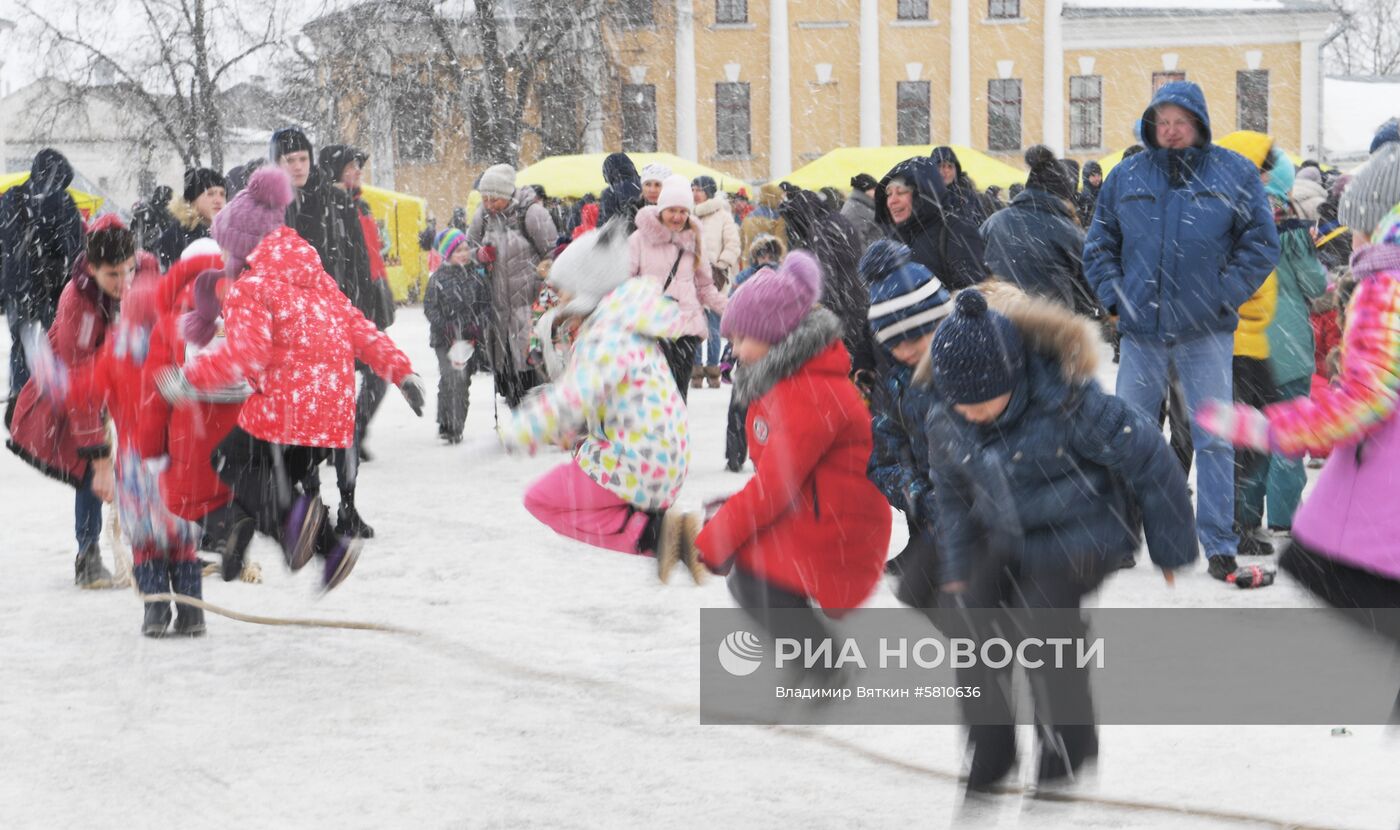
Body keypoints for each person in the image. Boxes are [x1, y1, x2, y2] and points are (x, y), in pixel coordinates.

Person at [920, 288, 1196, 792]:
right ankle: (992, 746)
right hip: (1012, 532)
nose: (973, 413)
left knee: (1044, 619)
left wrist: (1171, 547)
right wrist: (957, 570)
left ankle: (1069, 741)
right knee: (970, 616)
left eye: (984, 401)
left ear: (1012, 378)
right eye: (963, 403)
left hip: (1087, 528)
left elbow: (1149, 456)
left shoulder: (1068, 401)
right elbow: (953, 499)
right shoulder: (946, 419)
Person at [155, 167, 425, 592]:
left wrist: (190, 378)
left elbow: (246, 354)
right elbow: (359, 327)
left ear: (241, 244)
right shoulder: (317, 279)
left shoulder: (250, 287)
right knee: (264, 476)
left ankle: (294, 528)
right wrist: (401, 371)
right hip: (333, 414)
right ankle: (316, 547)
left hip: (287, 406)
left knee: (232, 463)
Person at [1197, 137, 1400, 651]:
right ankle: (1276, 518)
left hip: (1382, 526)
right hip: (1288, 349)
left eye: (1356, 225)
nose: (1352, 240)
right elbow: (1312, 288)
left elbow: (1365, 400)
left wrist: (1263, 427)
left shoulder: (1387, 285)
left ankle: (1251, 519)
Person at [1083, 80, 1280, 581]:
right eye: (1163, 122)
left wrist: (1223, 293)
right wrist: (1116, 297)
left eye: (1181, 122)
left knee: (1214, 439)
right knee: (1130, 436)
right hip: (1142, 333)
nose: (1171, 131)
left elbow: (1261, 242)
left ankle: (1219, 543)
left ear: (1199, 124)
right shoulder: (1126, 175)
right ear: (1152, 126)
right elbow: (1099, 244)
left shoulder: (1233, 172)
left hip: (1205, 332)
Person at [695, 251, 891, 661]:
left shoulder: (808, 391)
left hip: (841, 528)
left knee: (755, 580)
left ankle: (823, 669)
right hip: (816, 512)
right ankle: (816, 663)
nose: (735, 351)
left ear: (775, 334)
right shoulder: (787, 381)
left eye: (741, 339)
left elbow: (774, 487)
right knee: (752, 576)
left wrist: (719, 537)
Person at [502, 220, 704, 581]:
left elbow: (574, 399)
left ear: (586, 289)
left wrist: (522, 429)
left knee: (541, 498)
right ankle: (652, 530)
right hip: (660, 460)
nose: (559, 301)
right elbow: (599, 395)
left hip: (639, 464)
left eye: (564, 291)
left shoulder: (607, 334)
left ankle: (653, 536)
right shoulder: (627, 324)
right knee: (567, 477)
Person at [26, 242, 207, 636]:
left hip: (136, 470)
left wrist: (49, 374)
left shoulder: (113, 354)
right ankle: (192, 613)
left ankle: (156, 612)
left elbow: (79, 389)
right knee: (181, 542)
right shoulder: (174, 347)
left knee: (146, 544)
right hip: (179, 467)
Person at [6, 216, 137, 589]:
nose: (123, 283)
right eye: (113, 275)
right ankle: (88, 553)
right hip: (74, 388)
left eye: (128, 271)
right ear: (92, 268)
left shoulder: (138, 273)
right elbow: (82, 389)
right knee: (89, 468)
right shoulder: (76, 303)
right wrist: (100, 462)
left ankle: (159, 547)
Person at [271, 127, 383, 539]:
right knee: (302, 425)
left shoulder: (336, 202)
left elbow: (358, 265)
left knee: (342, 420)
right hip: (293, 333)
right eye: (289, 160)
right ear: (277, 164)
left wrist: (361, 320)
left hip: (334, 325)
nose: (298, 166)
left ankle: (349, 505)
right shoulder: (272, 208)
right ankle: (313, 504)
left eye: (302, 158)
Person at [859, 239, 954, 595]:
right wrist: (920, 495)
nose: (907, 350)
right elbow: (881, 461)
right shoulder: (897, 385)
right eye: (895, 342)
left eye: (918, 336)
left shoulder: (973, 373)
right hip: (939, 521)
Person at [320, 144, 396, 460]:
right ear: (335, 172)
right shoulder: (323, 208)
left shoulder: (362, 206)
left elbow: (372, 259)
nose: (358, 171)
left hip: (368, 305)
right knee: (338, 379)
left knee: (382, 369)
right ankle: (336, 440)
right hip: (340, 306)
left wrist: (380, 299)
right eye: (352, 166)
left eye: (358, 166)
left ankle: (354, 431)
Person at [466, 162, 558, 407]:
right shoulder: (482, 216)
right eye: (485, 198)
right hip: (499, 312)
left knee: (532, 370)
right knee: (507, 374)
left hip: (530, 307)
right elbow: (468, 250)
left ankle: (537, 417)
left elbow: (553, 253)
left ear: (507, 194)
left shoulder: (532, 214)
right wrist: (479, 256)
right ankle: (518, 411)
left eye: (494, 199)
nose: (489, 204)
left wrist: (543, 273)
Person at [628, 175, 727, 401]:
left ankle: (677, 425)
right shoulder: (639, 239)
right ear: (661, 209)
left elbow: (705, 287)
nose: (677, 216)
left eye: (683, 211)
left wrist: (733, 310)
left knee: (678, 397)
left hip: (685, 332)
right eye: (672, 210)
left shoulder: (694, 240)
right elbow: (625, 283)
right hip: (651, 330)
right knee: (652, 398)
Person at [0, 148, 85, 403]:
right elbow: (76, 251)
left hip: (17, 289)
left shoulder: (11, 198)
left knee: (20, 346)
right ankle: (50, 404)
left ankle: (20, 402)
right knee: (56, 344)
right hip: (53, 289)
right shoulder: (63, 201)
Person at [980, 145, 1099, 318]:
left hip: (997, 319)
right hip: (1049, 324)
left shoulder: (993, 223)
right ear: (1062, 195)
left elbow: (973, 270)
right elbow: (1091, 286)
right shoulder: (1068, 232)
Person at [779, 188, 875, 377]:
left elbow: (826, 277)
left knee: (843, 364)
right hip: (856, 295)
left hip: (843, 303)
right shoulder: (836, 220)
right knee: (855, 358)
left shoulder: (821, 229)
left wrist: (824, 313)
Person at [875, 155, 987, 290]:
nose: (892, 201)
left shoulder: (957, 231)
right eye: (888, 194)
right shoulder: (893, 239)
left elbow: (973, 294)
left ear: (922, 194)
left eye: (901, 192)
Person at [724, 234, 786, 472]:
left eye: (769, 255)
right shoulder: (780, 280)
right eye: (762, 255)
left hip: (761, 352)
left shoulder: (748, 281)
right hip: (763, 352)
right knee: (752, 406)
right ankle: (745, 452)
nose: (766, 260)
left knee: (749, 406)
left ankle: (742, 453)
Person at [424, 228, 491, 444]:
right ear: (447, 254)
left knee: (461, 381)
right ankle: (445, 422)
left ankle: (456, 425)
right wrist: (446, 327)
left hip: (468, 339)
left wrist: (477, 325)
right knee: (449, 378)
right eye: (458, 251)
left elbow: (486, 306)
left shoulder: (477, 277)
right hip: (444, 340)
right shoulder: (438, 279)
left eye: (465, 249)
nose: (463, 254)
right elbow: (430, 309)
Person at [691, 176, 741, 389]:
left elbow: (733, 243)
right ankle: (695, 369)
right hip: (691, 276)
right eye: (693, 189)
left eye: (699, 189)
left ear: (709, 191)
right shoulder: (688, 214)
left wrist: (721, 265)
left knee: (712, 324)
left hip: (715, 277)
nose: (695, 193)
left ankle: (712, 369)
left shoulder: (722, 215)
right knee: (694, 323)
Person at [154, 168, 226, 270]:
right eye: (210, 194)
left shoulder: (230, 234)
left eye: (222, 194)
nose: (218, 200)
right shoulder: (175, 238)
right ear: (193, 200)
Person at [930, 146, 993, 227]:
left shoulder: (968, 197)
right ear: (932, 169)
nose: (946, 171)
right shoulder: (923, 195)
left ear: (956, 170)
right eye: (941, 166)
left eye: (950, 166)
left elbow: (981, 226)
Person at [740, 183, 788, 266]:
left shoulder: (748, 217)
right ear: (775, 198)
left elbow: (741, 243)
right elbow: (781, 246)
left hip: (749, 263)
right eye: (779, 198)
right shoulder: (778, 220)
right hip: (770, 263)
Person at [598, 152, 643, 230]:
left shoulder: (610, 193)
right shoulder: (646, 183)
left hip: (625, 234)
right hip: (650, 231)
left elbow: (607, 225)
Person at [841, 173, 881, 254]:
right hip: (871, 258)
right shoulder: (857, 210)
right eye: (874, 189)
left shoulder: (859, 204)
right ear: (865, 190)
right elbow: (858, 243)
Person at [1077, 161, 1104, 227]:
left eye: (1099, 175)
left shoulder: (1105, 191)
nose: (1097, 179)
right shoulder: (1082, 197)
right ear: (1086, 177)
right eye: (1093, 176)